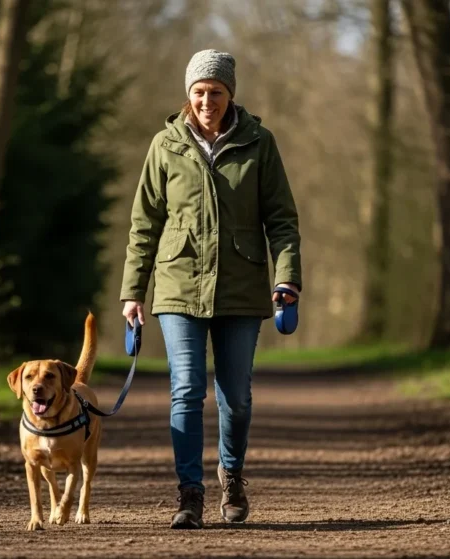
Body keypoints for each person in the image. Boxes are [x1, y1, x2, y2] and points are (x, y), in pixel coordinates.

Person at [119, 49, 302, 529]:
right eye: (199, 92)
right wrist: (132, 292)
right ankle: (190, 493)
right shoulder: (165, 145)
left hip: (241, 285)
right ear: (188, 95)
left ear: (230, 94)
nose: (207, 101)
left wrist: (286, 278)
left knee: (235, 396)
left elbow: (282, 220)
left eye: (216, 92)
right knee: (185, 390)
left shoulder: (260, 142)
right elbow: (144, 225)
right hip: (178, 285)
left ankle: (232, 475)